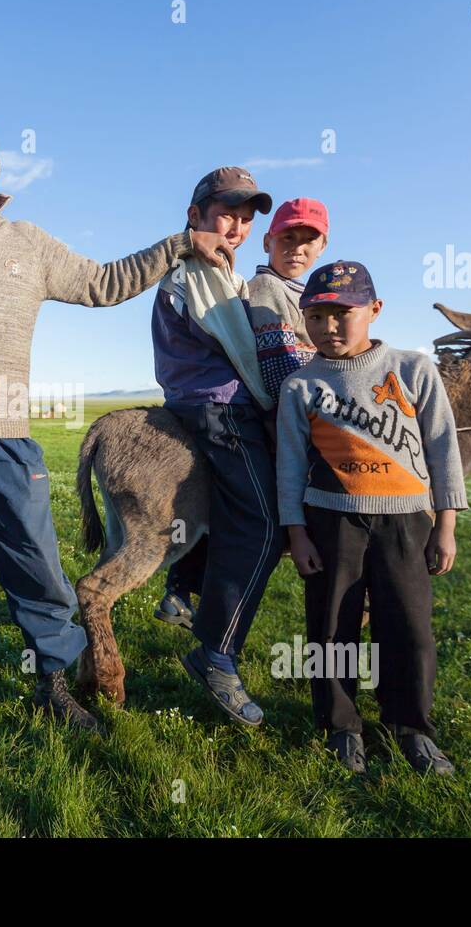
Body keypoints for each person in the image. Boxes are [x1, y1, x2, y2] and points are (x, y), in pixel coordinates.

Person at [0, 90, 235, 740]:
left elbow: (105, 282)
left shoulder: (29, 245)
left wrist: (179, 245)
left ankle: (55, 686)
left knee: (36, 566)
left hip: (6, 441)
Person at [275, 260, 467, 774]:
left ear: (374, 310)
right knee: (331, 626)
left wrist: (445, 523)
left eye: (343, 313)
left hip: (407, 522)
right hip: (331, 521)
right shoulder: (302, 385)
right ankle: (341, 725)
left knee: (407, 626)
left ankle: (412, 727)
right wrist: (296, 532)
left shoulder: (412, 369)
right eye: (316, 316)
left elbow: (443, 446)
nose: (328, 326)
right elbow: (291, 465)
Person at [156, 194, 329, 631]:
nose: (298, 248)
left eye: (310, 240)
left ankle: (182, 584)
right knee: (264, 515)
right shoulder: (269, 289)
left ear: (323, 247)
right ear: (269, 241)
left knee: (222, 495)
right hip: (275, 411)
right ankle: (218, 629)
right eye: (289, 238)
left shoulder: (298, 292)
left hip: (250, 403)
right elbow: (279, 366)